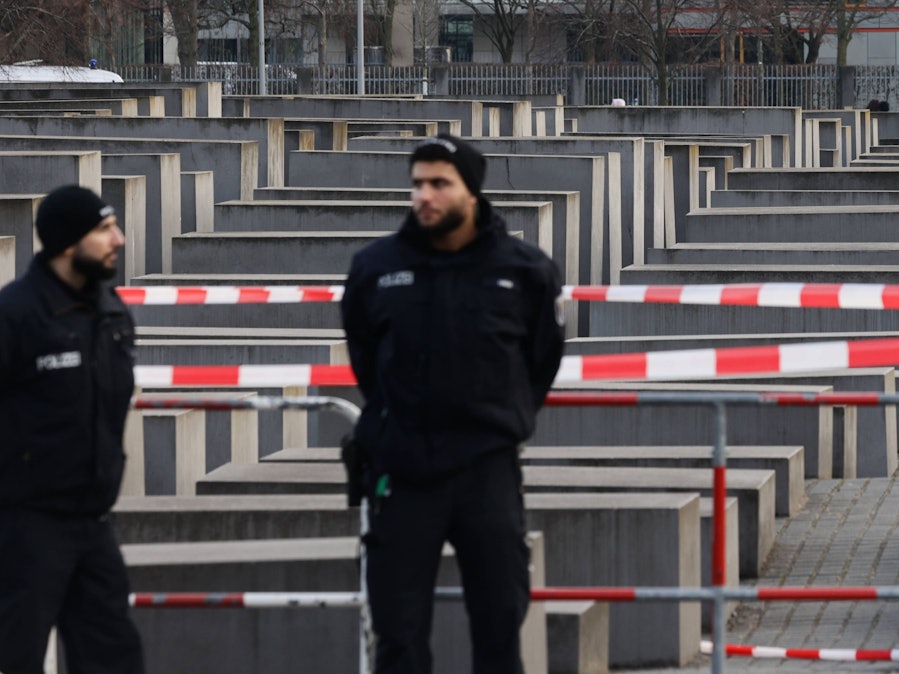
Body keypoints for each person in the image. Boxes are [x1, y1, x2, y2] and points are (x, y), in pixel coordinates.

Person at [341, 134, 565, 673]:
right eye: (418, 183)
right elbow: (366, 360)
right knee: (397, 635)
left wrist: (498, 418)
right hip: (402, 473)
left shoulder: (525, 270)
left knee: (499, 626)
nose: (425, 195)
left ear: (471, 191)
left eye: (440, 183)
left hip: (486, 471)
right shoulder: (375, 267)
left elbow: (541, 361)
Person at [0, 185, 145, 674]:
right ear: (67, 243)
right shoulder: (15, 314)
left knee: (115, 657)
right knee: (15, 658)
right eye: (104, 230)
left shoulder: (111, 311)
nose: (118, 239)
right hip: (24, 530)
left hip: (94, 524)